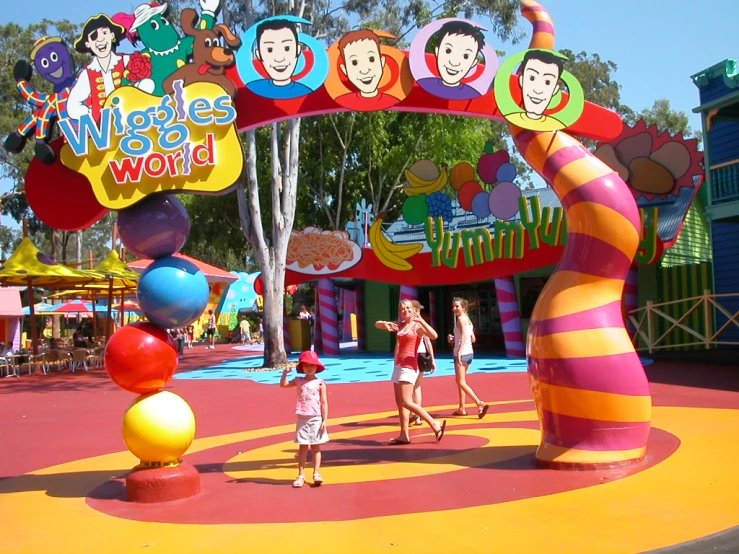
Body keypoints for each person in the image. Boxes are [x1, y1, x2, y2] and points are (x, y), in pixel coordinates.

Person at [375, 299, 446, 445]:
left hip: (409, 367)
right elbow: (376, 324)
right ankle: (404, 435)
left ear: (413, 310)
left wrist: (421, 320)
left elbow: (434, 336)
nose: (405, 311)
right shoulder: (401, 325)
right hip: (398, 367)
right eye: (402, 309)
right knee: (400, 404)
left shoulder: (416, 327)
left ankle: (434, 424)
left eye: (407, 308)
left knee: (407, 401)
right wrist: (384, 324)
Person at [67, 14, 153, 121]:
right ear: (88, 44)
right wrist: (91, 115)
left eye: (104, 33)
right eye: (94, 36)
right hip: (104, 131)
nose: (100, 39)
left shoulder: (127, 60)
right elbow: (72, 106)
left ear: (112, 35)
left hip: (133, 122)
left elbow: (148, 83)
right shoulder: (87, 74)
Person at [280, 350, 329, 488]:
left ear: (317, 367)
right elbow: (283, 385)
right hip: (302, 418)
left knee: (315, 447)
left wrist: (324, 420)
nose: (309, 368)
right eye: (306, 365)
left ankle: (316, 473)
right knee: (302, 447)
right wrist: (285, 373)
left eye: (312, 365)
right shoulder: (298, 380)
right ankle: (301, 475)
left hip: (316, 418)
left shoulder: (320, 383)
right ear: (301, 367)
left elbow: (324, 402)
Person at [417, 21, 485, 101]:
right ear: (437, 51)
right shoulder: (423, 85)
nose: (454, 63)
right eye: (448, 51)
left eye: (465, 56)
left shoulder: (473, 95)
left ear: (473, 63)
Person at [247, 19, 312, 99]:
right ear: (259, 55)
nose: (279, 58)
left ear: (297, 50)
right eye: (269, 50)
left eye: (287, 48)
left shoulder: (306, 92)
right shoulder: (251, 90)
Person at [335, 29, 399, 111]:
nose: (364, 70)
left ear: (382, 62)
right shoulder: (342, 101)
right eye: (354, 62)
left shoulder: (393, 101)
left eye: (371, 59)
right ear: (345, 70)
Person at [448, 297, 489, 418]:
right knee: (462, 382)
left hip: (462, 353)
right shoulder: (468, 320)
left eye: (457, 306)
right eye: (453, 306)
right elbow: (473, 338)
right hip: (469, 352)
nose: (454, 308)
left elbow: (465, 336)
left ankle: (479, 402)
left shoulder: (460, 319)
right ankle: (462, 408)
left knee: (460, 381)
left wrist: (459, 351)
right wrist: (454, 339)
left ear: (463, 308)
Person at [411, 300, 435, 426]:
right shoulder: (421, 323)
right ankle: (417, 416)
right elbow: (428, 341)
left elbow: (429, 340)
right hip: (422, 354)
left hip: (414, 355)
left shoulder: (413, 323)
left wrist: (432, 359)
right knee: (417, 387)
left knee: (412, 387)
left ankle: (414, 414)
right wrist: (432, 359)